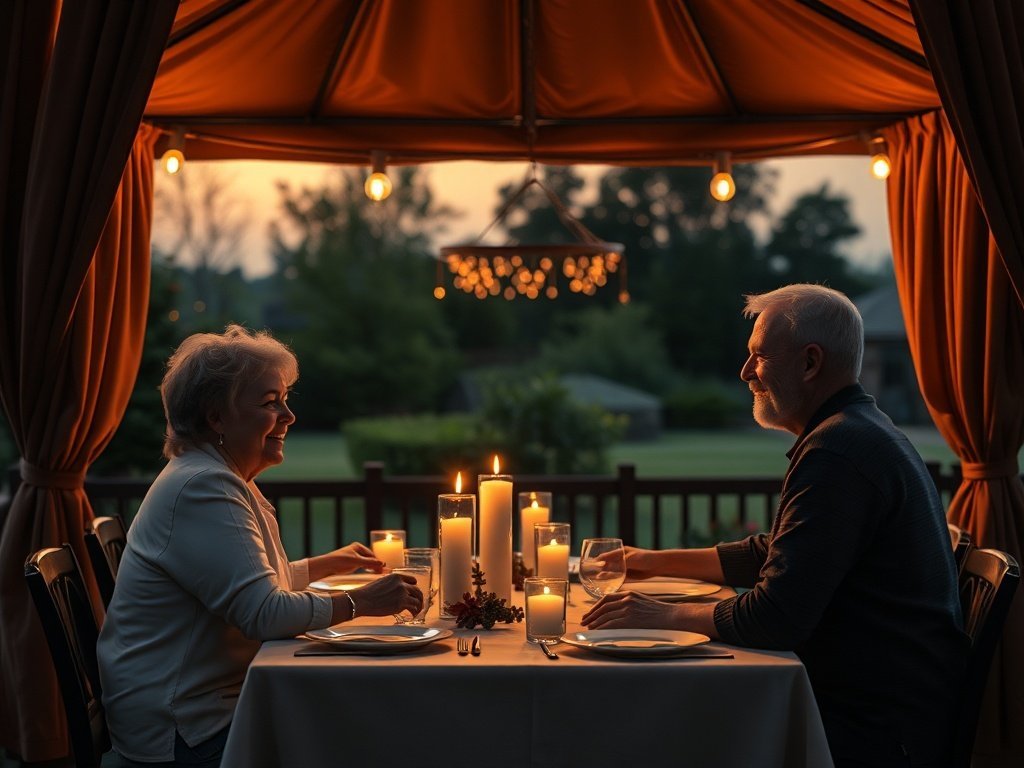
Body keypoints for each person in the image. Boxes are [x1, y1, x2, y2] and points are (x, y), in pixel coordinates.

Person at [583, 284, 967, 767]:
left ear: (810, 363)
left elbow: (774, 618)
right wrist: (645, 560)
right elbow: (773, 553)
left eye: (759, 357)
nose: (745, 373)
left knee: (660, 735)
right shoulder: (857, 430)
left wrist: (663, 615)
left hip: (873, 729)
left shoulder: (839, 451)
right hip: (891, 704)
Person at [97, 326, 422, 767]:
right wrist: (359, 601)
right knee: (367, 732)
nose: (288, 416)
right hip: (182, 728)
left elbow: (246, 585)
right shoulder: (202, 486)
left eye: (286, 400)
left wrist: (326, 564)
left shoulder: (216, 476)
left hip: (191, 709)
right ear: (216, 417)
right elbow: (263, 613)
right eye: (271, 403)